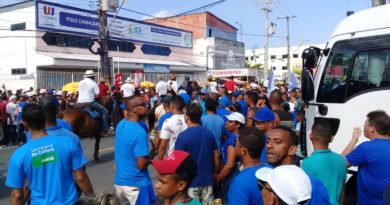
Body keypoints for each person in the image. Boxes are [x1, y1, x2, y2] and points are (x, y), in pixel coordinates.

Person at [5, 104, 94, 204]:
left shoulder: (19, 155)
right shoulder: (69, 142)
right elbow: (81, 177)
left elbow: (17, 195)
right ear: (44, 119)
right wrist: (93, 199)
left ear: (24, 124)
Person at [266, 126, 331, 205]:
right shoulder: (266, 178)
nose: (269, 146)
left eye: (277, 141)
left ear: (292, 150)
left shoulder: (313, 186)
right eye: (268, 141)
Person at [114, 95, 156, 205]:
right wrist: (154, 151)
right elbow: (141, 165)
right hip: (137, 184)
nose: (147, 106)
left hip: (120, 182)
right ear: (133, 109)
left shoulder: (121, 124)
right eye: (143, 104)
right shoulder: (139, 132)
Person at [175, 103, 220, 205]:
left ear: (187, 117)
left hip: (190, 182)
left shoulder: (183, 137)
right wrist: (215, 172)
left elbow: (177, 162)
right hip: (207, 180)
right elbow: (216, 156)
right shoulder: (209, 134)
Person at [342, 110, 390, 205]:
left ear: (372, 128)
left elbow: (340, 164)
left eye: (365, 124)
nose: (363, 126)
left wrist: (354, 140)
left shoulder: (366, 148)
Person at [302, 120, 346, 205]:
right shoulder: (341, 160)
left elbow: (305, 195)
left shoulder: (307, 163)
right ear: (332, 138)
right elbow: (342, 192)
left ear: (311, 136)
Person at [228, 127, 270, 205]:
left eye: (235, 143)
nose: (234, 146)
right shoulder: (271, 170)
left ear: (243, 150)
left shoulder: (240, 183)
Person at [216, 112, 245, 204]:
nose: (227, 123)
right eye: (227, 121)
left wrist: (219, 178)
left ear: (238, 125)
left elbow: (230, 164)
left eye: (230, 121)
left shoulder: (233, 141)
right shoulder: (237, 138)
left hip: (231, 176)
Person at [77, 70, 109, 135]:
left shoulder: (80, 82)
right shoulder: (93, 83)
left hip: (79, 102)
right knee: (105, 111)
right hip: (90, 102)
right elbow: (98, 95)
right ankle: (105, 129)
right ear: (92, 76)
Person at [158, 95, 188, 159]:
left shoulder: (167, 122)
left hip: (172, 159)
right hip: (186, 157)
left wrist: (159, 161)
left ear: (172, 106)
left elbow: (163, 145)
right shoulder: (188, 120)